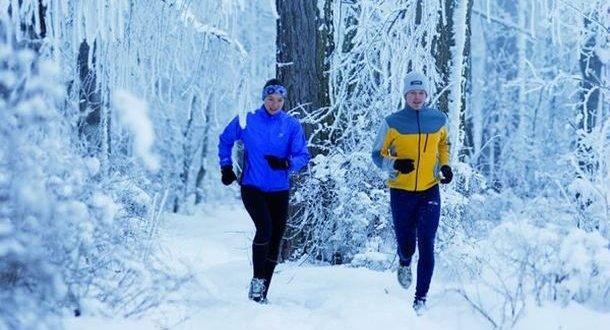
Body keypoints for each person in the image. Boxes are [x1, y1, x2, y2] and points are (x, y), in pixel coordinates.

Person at [218, 79, 310, 304]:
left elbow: (303, 155)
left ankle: (262, 293)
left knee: (275, 238)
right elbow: (225, 139)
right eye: (270, 99)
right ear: (264, 98)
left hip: (279, 190)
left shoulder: (291, 125)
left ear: (284, 101)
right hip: (253, 186)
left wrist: (287, 164)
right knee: (265, 227)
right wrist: (226, 166)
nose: (274, 104)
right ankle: (257, 280)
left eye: (279, 100)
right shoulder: (247, 119)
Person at [371, 71, 453, 315]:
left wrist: (445, 165)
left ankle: (421, 298)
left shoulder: (438, 119)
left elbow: (443, 144)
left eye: (421, 93)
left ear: (426, 94)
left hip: (429, 189)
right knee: (407, 245)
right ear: (405, 95)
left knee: (427, 242)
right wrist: (394, 164)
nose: (417, 98)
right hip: (401, 192)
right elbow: (377, 155)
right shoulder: (392, 122)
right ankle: (404, 261)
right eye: (412, 93)